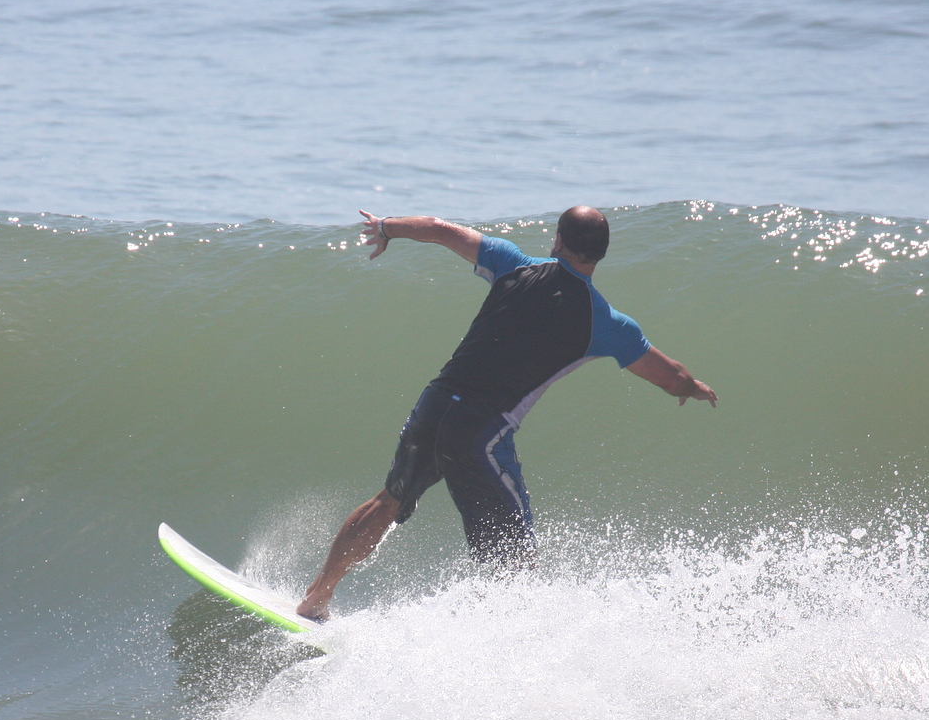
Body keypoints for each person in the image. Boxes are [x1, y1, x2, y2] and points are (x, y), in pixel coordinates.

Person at [296, 205, 717, 622]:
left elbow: (437, 229)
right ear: (602, 253)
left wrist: (386, 227)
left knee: (388, 500)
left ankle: (316, 598)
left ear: (558, 240)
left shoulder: (511, 262)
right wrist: (692, 389)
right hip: (480, 432)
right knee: (517, 559)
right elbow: (670, 375)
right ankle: (493, 648)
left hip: (436, 402)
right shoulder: (605, 323)